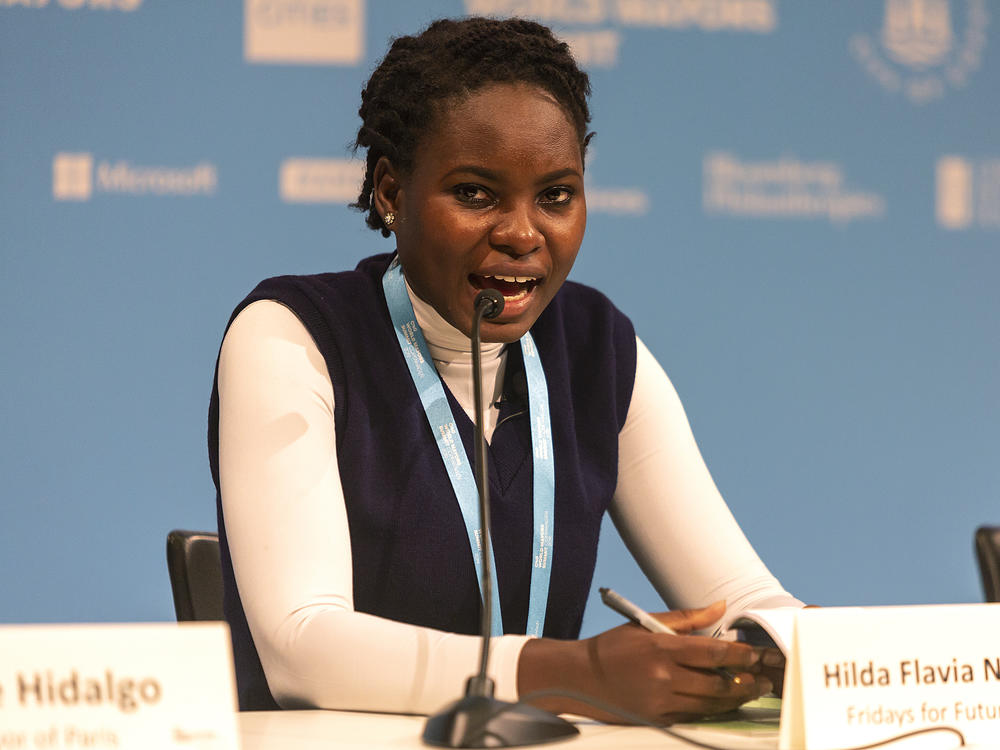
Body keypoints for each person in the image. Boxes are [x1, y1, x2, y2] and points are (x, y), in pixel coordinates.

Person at [208, 16, 801, 723]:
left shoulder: (595, 347)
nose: (523, 233)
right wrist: (580, 674)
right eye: (476, 193)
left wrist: (798, 652)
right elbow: (302, 645)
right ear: (391, 193)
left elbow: (742, 595)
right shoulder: (292, 335)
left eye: (555, 196)